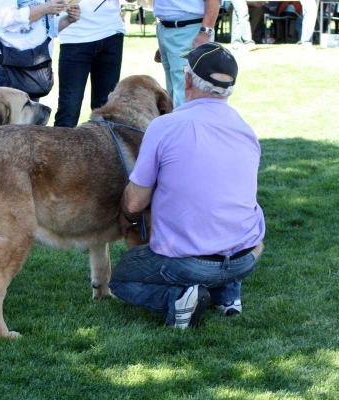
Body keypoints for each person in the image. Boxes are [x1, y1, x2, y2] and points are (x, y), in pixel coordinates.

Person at [109, 43, 265, 329]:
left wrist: (126, 219)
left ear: (188, 79)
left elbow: (134, 201)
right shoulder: (246, 128)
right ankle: (228, 294)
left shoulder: (165, 126)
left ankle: (180, 297)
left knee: (121, 279)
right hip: (247, 256)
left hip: (190, 261)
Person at [0, 0, 81, 101]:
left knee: (28, 114)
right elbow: (7, 19)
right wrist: (44, 8)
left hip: (34, 60)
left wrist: (68, 19)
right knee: (9, 114)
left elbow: (47, 28)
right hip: (4, 59)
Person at [53, 0, 125, 128]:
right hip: (74, 37)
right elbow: (56, 5)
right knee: (69, 107)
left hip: (111, 33)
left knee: (106, 107)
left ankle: (105, 148)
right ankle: (59, 148)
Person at [153, 0, 220, 109]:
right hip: (167, 28)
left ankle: (186, 125)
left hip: (190, 29)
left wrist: (205, 32)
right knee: (174, 94)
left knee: (185, 95)